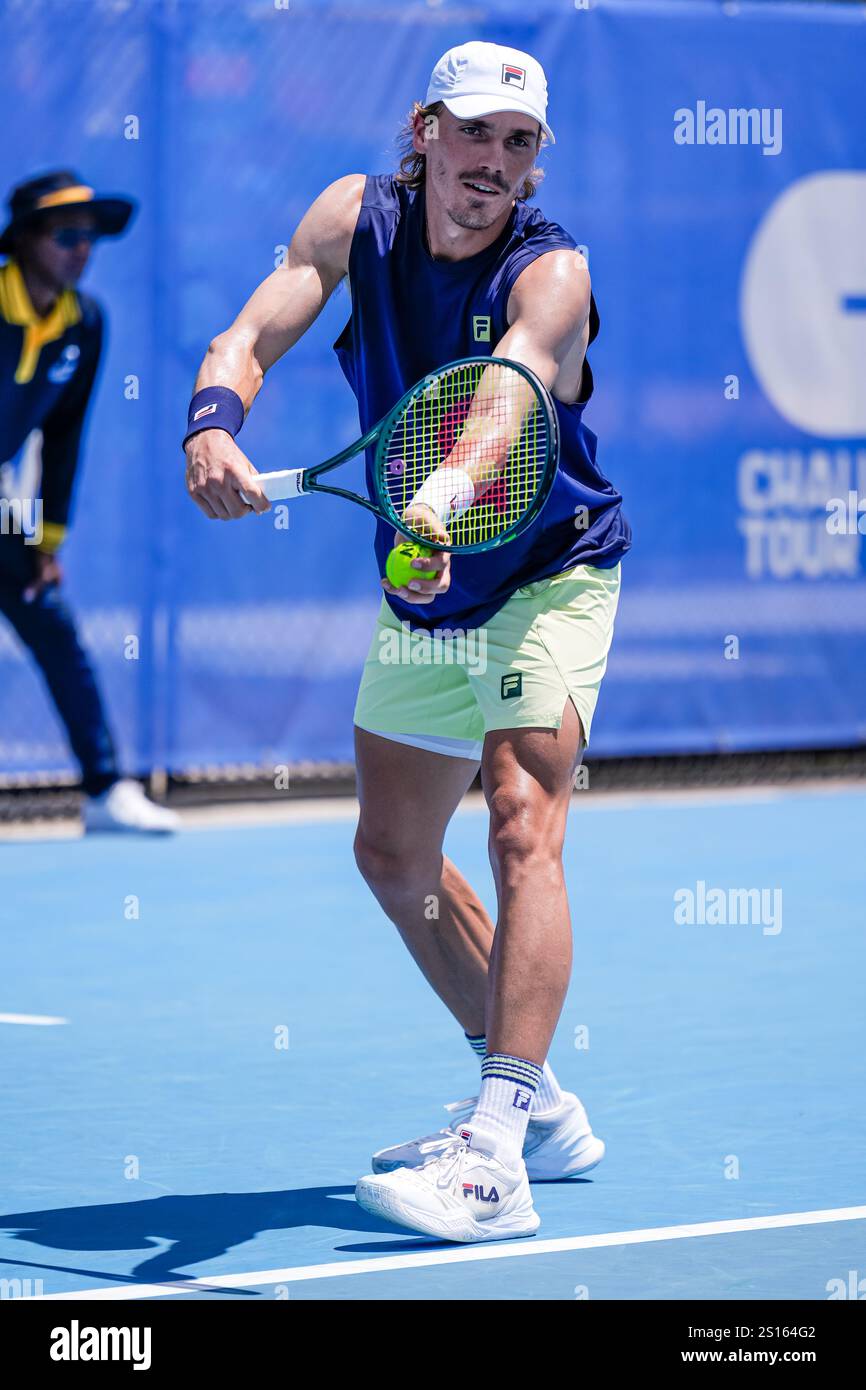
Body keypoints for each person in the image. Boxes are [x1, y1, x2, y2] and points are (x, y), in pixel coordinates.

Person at [184, 41, 630, 1242]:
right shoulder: (350, 219)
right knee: (391, 857)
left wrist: (439, 500)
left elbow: (507, 394)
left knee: (518, 819)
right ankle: (533, 1097)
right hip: (427, 593)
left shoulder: (553, 274)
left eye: (518, 143)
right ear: (422, 129)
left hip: (547, 571)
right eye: (474, 132)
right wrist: (213, 423)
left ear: (536, 163)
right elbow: (250, 329)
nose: (492, 162)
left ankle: (490, 1153)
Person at [0, 170, 178, 833]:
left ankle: (105, 792)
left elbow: (63, 436)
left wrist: (46, 541)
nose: (82, 248)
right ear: (23, 241)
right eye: (65, 234)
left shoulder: (87, 322)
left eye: (91, 236)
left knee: (51, 622)